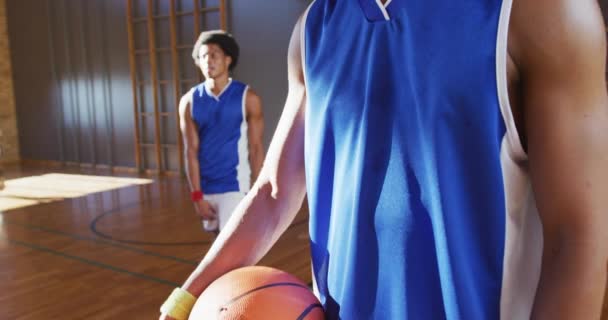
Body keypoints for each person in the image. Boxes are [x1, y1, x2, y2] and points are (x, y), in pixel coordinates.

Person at [161, 0, 608, 319]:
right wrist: (184, 301)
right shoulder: (314, 27)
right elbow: (274, 191)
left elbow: (579, 233)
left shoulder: (536, 12)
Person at [179, 30, 264, 233]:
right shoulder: (189, 102)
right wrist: (196, 196)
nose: (208, 60)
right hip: (206, 189)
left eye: (214, 54)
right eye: (203, 56)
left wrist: (259, 191)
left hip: (235, 186)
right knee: (216, 244)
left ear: (228, 60)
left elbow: (256, 148)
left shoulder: (248, 98)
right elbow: (190, 152)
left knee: (230, 250)